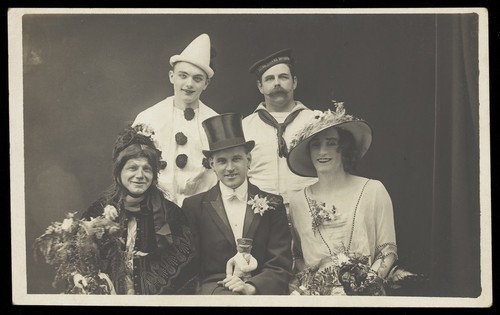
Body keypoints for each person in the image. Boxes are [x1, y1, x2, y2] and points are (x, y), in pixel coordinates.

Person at [286, 103, 398, 295]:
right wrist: (312, 287)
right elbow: (298, 256)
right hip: (315, 297)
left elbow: (387, 251)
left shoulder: (373, 190)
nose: (322, 152)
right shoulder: (297, 201)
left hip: (366, 295)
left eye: (331, 143)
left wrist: (363, 286)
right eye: (316, 145)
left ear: (344, 149)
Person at [80, 124, 198, 294]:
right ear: (119, 172)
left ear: (154, 175)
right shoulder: (98, 210)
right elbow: (82, 261)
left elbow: (186, 271)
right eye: (132, 168)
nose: (140, 176)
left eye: (147, 169)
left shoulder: (171, 214)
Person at [182, 113, 293, 295]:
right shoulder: (194, 206)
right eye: (222, 161)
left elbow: (280, 263)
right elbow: (190, 266)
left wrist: (251, 287)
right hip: (214, 291)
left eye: (236, 159)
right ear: (212, 164)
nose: (230, 168)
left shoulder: (273, 204)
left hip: (260, 291)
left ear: (248, 160)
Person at [133, 33, 218, 207]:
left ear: (206, 84)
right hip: (154, 210)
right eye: (183, 76)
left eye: (197, 79)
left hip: (203, 213)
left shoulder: (215, 122)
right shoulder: (147, 118)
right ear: (172, 76)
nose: (189, 84)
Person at [242, 48, 317, 208]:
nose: (277, 83)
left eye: (283, 77)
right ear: (260, 86)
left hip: (309, 209)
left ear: (294, 82)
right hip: (263, 214)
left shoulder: (316, 121)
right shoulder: (245, 127)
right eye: (269, 79)